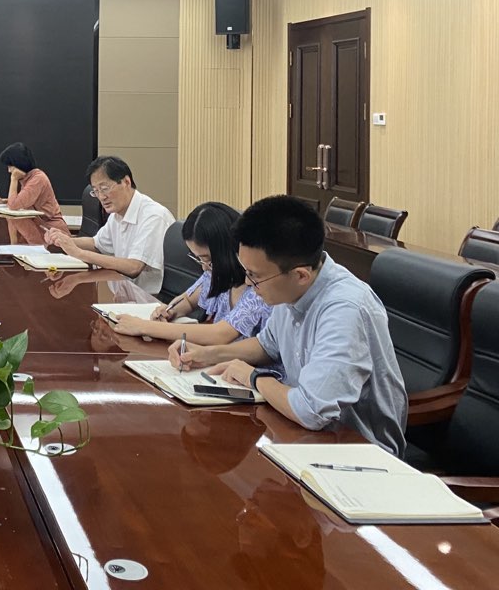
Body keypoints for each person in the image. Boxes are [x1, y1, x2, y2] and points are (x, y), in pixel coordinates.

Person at [169, 195, 407, 455]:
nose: (248, 283)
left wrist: (253, 377)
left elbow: (311, 410)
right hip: (301, 436)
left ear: (300, 275)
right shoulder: (288, 286)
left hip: (358, 453)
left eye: (255, 276)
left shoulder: (345, 309)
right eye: (246, 272)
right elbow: (267, 345)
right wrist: (207, 354)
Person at [109, 202, 271, 344]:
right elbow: (188, 299)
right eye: (199, 259)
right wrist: (171, 311)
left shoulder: (259, 287)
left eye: (208, 260)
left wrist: (144, 326)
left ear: (229, 251)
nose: (204, 268)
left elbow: (220, 334)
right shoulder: (215, 274)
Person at [43, 155, 174, 294]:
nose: (101, 197)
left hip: (149, 299)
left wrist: (78, 253)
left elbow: (134, 267)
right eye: (96, 191)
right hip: (124, 292)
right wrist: (64, 241)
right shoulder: (117, 214)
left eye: (104, 188)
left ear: (126, 182)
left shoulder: (153, 216)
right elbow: (97, 244)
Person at [0, 143, 65, 239]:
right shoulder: (28, 178)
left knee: (14, 217)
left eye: (10, 166)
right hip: (39, 228)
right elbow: (24, 201)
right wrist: (3, 201)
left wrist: (13, 179)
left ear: (18, 163)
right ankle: (14, 246)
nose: (9, 171)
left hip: (52, 232)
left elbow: (14, 206)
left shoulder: (37, 179)